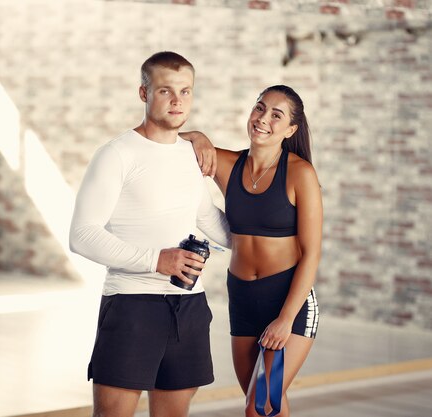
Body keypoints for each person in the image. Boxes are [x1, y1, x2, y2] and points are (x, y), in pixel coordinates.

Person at [69, 51, 231, 417]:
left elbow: (209, 219)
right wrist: (155, 260)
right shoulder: (116, 154)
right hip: (131, 305)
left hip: (189, 307)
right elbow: (82, 234)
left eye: (186, 91)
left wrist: (268, 237)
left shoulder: (191, 153)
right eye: (165, 91)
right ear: (144, 93)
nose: (177, 101)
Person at [183, 85, 322, 417]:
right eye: (260, 109)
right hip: (243, 298)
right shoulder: (228, 164)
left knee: (261, 404)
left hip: (289, 300)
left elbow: (312, 253)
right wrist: (199, 136)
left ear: (290, 130)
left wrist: (286, 319)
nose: (263, 119)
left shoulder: (300, 173)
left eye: (277, 115)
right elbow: (168, 143)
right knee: (268, 406)